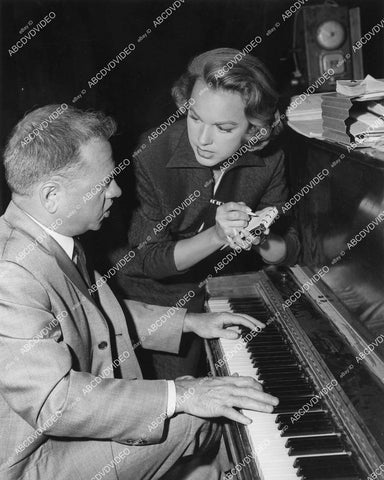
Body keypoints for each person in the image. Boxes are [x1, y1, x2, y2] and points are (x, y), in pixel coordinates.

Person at [0, 105, 278, 480]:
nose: (115, 191)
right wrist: (180, 396)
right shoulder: (11, 274)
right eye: (103, 183)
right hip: (35, 461)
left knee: (205, 406)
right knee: (202, 414)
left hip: (59, 436)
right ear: (51, 196)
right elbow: (55, 402)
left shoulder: (51, 237)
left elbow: (95, 315)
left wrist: (191, 322)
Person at [108, 48, 300, 379]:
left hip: (221, 292)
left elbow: (284, 236)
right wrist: (217, 236)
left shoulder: (270, 159)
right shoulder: (150, 153)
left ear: (254, 130)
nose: (204, 139)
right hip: (151, 303)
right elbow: (148, 260)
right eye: (195, 118)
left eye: (224, 128)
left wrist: (259, 232)